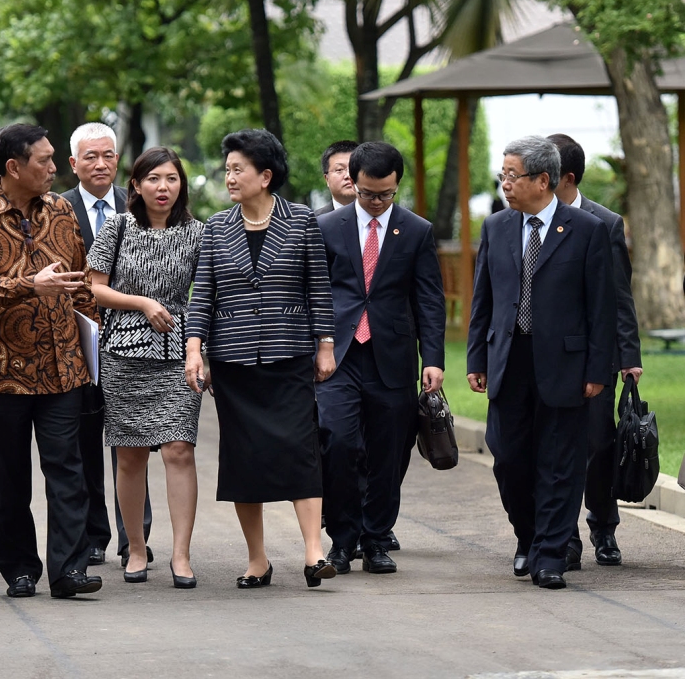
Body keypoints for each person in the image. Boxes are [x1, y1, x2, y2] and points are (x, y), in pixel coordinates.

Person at [0, 123, 102, 599]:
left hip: (63, 368)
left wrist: (94, 342)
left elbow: (81, 283)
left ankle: (68, 570)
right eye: (44, 160)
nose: (54, 168)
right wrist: (27, 285)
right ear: (14, 166)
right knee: (7, 479)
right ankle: (19, 569)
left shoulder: (60, 210)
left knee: (68, 472)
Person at [186, 128, 338, 590]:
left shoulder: (302, 220)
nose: (229, 177)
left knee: (300, 450)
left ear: (265, 175)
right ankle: (258, 560)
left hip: (288, 354)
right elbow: (202, 297)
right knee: (244, 459)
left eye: (238, 169)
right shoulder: (216, 226)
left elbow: (318, 287)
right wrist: (195, 351)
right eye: (228, 169)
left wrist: (326, 344)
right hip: (233, 362)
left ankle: (314, 553)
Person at [467, 135, 615, 591]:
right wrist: (477, 356)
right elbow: (484, 299)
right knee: (508, 459)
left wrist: (597, 372)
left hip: (565, 364)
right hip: (509, 359)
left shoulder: (587, 229)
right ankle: (528, 538)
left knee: (561, 462)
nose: (505, 184)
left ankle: (550, 555)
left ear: (543, 180)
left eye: (513, 176)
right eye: (503, 175)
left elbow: (601, 309)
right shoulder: (496, 227)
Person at [315, 141, 446, 576]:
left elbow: (429, 300)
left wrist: (434, 358)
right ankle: (341, 540)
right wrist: (316, 346)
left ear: (396, 186)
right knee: (337, 441)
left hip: (392, 357)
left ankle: (376, 540)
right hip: (338, 356)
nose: (375, 202)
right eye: (368, 193)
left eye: (385, 194)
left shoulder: (416, 230)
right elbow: (313, 293)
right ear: (353, 183)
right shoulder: (326, 227)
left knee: (389, 451)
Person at [89, 147, 204, 588]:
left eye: (172, 179)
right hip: (122, 352)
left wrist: (198, 349)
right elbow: (95, 288)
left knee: (179, 449)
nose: (163, 187)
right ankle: (136, 547)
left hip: (177, 353)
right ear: (135, 185)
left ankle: (181, 554)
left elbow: (205, 295)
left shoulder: (199, 233)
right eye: (154, 179)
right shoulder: (117, 228)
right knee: (130, 454)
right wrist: (142, 303)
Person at [549, 133, 642, 569]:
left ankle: (604, 526)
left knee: (599, 446)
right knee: (555, 450)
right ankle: (564, 538)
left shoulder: (605, 223)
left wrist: (629, 357)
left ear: (566, 177)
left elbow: (620, 297)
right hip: (547, 355)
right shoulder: (528, 216)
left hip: (595, 355)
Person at [62, 121, 153, 569]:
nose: (101, 164)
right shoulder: (55, 210)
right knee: (81, 444)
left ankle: (135, 537)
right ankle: (93, 535)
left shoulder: (142, 210)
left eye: (108, 155)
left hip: (133, 345)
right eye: (91, 157)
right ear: (73, 163)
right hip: (77, 343)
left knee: (131, 441)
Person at [316, 140, 358, 216]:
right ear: (327, 179)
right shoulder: (314, 221)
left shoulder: (379, 215)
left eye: (353, 168)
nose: (348, 175)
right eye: (339, 170)